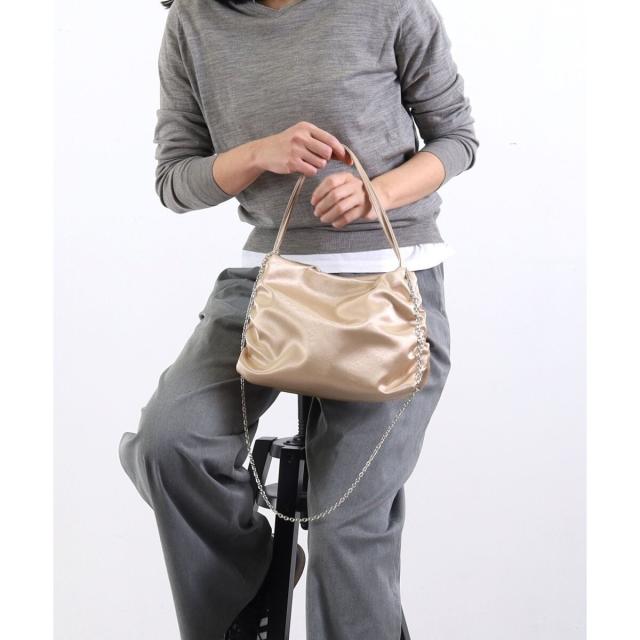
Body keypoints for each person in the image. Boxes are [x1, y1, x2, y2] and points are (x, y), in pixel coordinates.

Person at [118, 0, 479, 638]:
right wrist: (259, 153)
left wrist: (375, 194)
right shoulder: (193, 21)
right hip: (270, 280)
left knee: (345, 523)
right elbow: (175, 181)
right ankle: (250, 593)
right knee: (170, 443)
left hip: (389, 287)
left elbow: (457, 139)